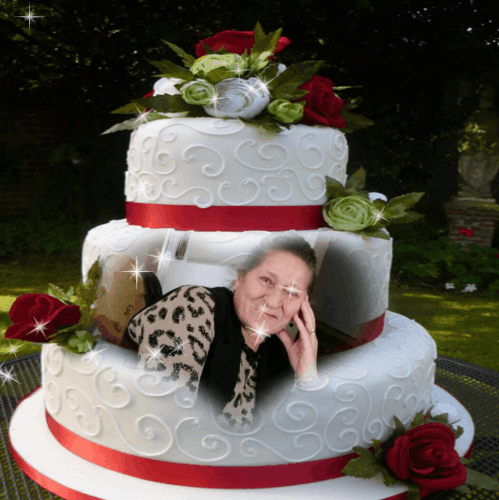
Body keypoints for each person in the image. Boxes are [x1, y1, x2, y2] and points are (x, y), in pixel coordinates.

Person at [124, 234, 318, 429]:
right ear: (240, 278)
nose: (274, 301)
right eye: (266, 280)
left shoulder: (278, 356)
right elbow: (166, 421)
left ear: (302, 306)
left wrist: (307, 377)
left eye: (292, 293)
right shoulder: (193, 305)